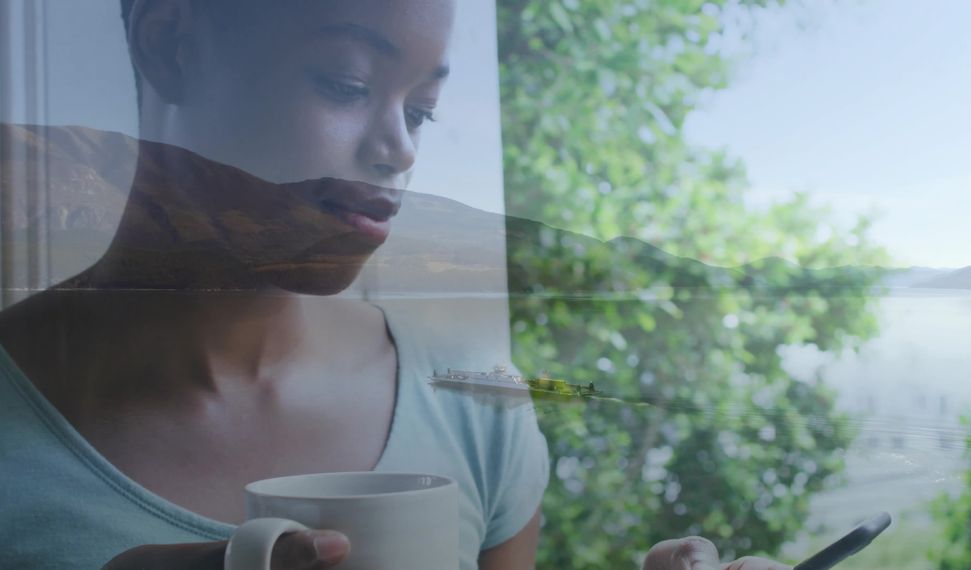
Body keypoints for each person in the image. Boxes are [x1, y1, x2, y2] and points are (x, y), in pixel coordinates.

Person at [0, 1, 791, 569]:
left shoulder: (477, 412)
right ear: (171, 45)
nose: (399, 150)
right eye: (346, 84)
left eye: (423, 111)